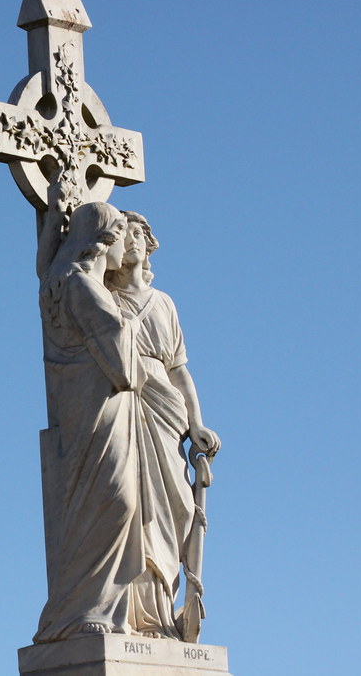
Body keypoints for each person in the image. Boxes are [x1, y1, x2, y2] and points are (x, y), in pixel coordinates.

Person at [105, 211, 221, 638]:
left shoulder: (164, 303)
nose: (132, 240)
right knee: (129, 507)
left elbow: (179, 370)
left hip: (164, 412)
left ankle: (162, 610)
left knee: (174, 511)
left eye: (138, 233)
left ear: (149, 244)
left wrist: (197, 423)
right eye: (124, 234)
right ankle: (131, 614)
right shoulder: (102, 297)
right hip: (122, 402)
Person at [34, 200, 141, 642]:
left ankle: (91, 609)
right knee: (115, 503)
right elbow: (123, 367)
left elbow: (43, 267)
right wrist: (131, 321)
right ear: (106, 240)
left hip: (90, 410)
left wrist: (50, 228)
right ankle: (80, 611)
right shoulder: (84, 287)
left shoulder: (60, 280)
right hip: (100, 410)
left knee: (99, 505)